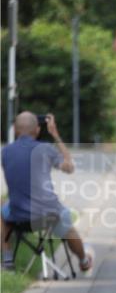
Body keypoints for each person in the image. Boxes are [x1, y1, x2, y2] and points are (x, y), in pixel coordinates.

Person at [1, 112, 94, 273]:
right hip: (48, 217)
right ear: (37, 130)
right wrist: (55, 134)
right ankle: (84, 261)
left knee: (2, 210)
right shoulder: (45, 149)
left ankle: (8, 260)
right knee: (66, 224)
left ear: (15, 130)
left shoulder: (6, 152)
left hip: (19, 219)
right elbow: (69, 168)